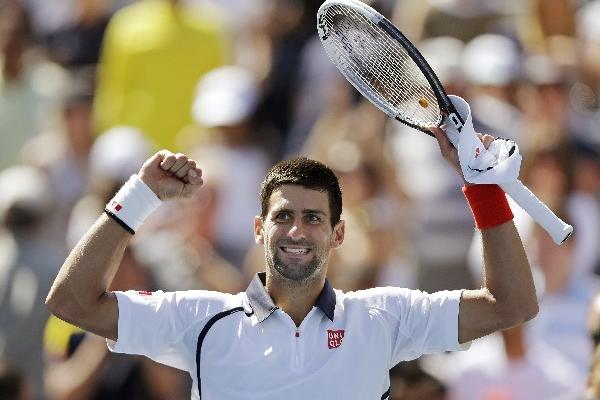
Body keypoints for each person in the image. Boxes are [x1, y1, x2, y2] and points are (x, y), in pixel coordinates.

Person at [46, 127, 539, 399]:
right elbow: (71, 302)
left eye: (313, 218)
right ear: (260, 229)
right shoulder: (199, 320)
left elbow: (509, 305)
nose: (298, 231)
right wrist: (139, 197)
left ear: (339, 232)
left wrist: (482, 188)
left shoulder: (383, 317)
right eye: (283, 217)